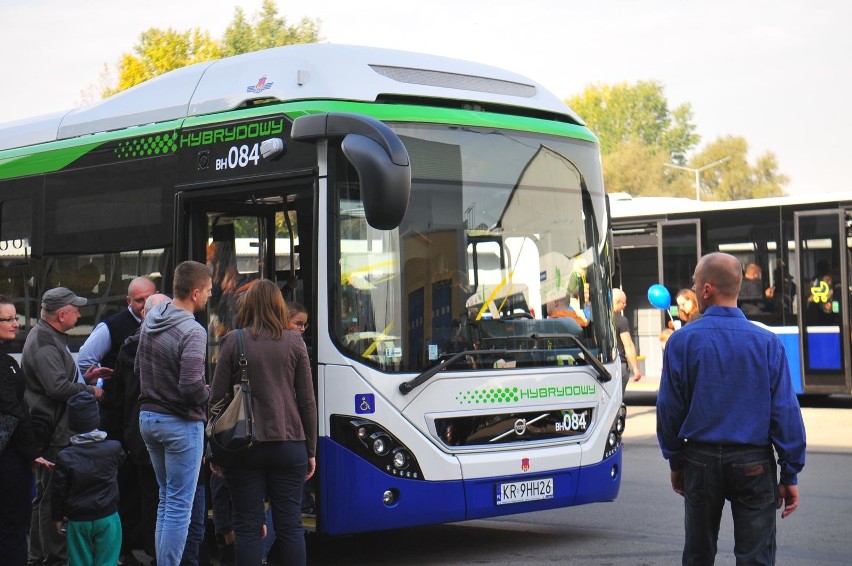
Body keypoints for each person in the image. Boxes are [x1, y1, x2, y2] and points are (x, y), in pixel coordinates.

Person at [656, 252, 807, 565]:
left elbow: (669, 409)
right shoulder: (768, 343)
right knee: (755, 557)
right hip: (753, 463)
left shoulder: (682, 342)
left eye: (696, 284)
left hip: (699, 461)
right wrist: (789, 472)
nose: (694, 289)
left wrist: (675, 460)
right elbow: (785, 412)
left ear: (708, 289)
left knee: (698, 554)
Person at [210, 279, 317, 566]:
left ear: (248, 306)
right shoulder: (294, 340)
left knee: (246, 526)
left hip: (243, 446)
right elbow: (307, 400)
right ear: (279, 307)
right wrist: (311, 449)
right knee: (291, 525)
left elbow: (216, 398)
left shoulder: (233, 340)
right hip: (290, 443)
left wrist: (214, 450)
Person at [23, 287, 111, 566]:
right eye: (75, 309)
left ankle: (39, 555)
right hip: (54, 430)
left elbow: (59, 378)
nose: (79, 313)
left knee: (46, 495)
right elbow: (56, 387)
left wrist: (83, 376)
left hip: (54, 427)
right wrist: (89, 390)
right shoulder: (45, 342)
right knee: (52, 497)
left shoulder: (50, 337)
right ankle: (55, 558)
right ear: (61, 314)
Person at [77, 275, 156, 565]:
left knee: (141, 485)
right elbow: (85, 358)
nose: (145, 306)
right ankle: (123, 548)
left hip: (141, 417)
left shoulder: (160, 324)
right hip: (119, 417)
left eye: (149, 299)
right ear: (128, 301)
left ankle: (137, 542)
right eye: (138, 301)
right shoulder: (113, 326)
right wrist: (100, 387)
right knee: (123, 483)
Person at [137, 261, 211, 566]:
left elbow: (138, 366)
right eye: (207, 290)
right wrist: (208, 393)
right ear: (195, 293)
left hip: (148, 419)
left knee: (166, 500)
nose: (209, 296)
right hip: (180, 424)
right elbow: (191, 386)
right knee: (180, 505)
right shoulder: (193, 330)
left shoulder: (153, 318)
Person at [113, 293, 171, 564]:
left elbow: (120, 391)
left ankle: (151, 550)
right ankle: (158, 551)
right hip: (161, 427)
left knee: (149, 492)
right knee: (163, 495)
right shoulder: (174, 341)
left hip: (137, 428)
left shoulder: (130, 344)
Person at [0, 295, 53, 566]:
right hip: (9, 456)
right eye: (7, 319)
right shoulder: (4, 364)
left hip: (12, 452)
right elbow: (14, 409)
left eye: (15, 318)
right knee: (13, 525)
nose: (15, 324)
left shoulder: (7, 359)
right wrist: (32, 452)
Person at [50, 392, 125, 566]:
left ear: (71, 423)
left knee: (79, 561)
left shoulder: (65, 456)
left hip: (78, 520)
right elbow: (121, 462)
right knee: (108, 560)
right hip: (108, 516)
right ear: (96, 418)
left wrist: (57, 517)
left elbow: (58, 491)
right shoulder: (114, 448)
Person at [612, 289, 641, 393]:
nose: (625, 305)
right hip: (619, 364)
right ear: (617, 301)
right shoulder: (621, 320)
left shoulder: (596, 318)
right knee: (618, 399)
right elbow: (628, 345)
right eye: (624, 303)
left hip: (601, 364)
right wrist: (636, 369)